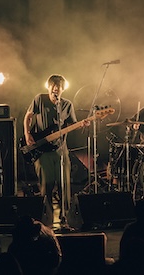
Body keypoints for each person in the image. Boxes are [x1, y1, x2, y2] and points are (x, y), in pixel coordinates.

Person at [23, 74, 88, 228]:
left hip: (61, 151)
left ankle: (66, 219)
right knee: (46, 186)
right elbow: (28, 117)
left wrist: (82, 125)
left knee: (64, 186)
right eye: (53, 85)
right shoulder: (39, 99)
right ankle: (47, 222)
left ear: (63, 89)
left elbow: (71, 125)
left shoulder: (67, 105)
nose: (56, 88)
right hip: (42, 151)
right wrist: (27, 134)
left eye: (59, 86)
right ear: (49, 87)